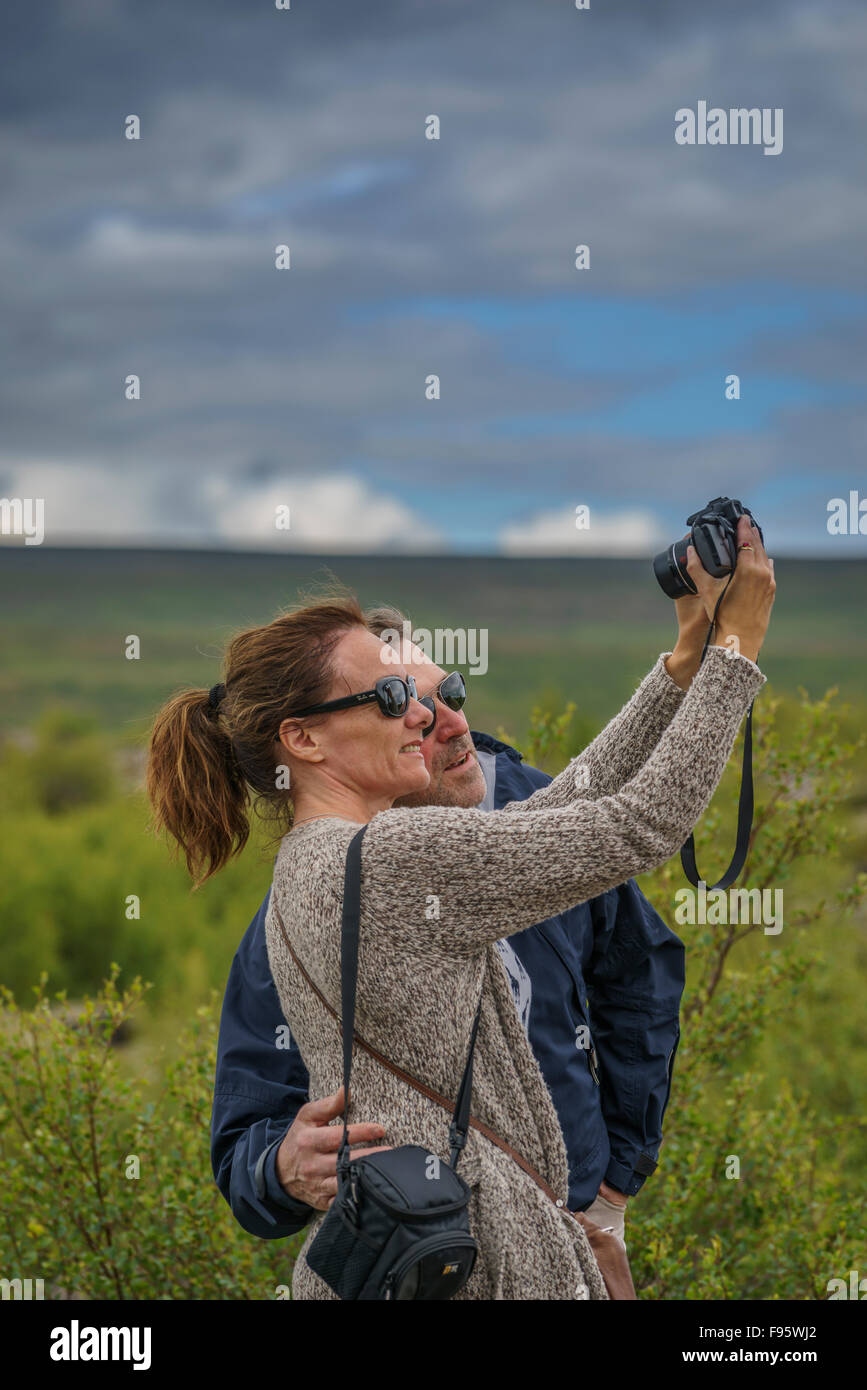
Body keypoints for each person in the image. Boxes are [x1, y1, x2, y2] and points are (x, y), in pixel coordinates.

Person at [147, 516, 774, 1299]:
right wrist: (736, 651)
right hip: (479, 1255)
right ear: (303, 740)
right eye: (387, 697)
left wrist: (681, 664)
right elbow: (637, 824)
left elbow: (550, 814)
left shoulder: (317, 867)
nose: (422, 715)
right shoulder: (393, 861)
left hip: (420, 1249)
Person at [209, 603, 689, 1260]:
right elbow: (245, 1143)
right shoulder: (313, 901)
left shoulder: (525, 801)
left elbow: (641, 970)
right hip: (438, 1256)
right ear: (312, 742)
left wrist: (612, 1182)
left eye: (447, 694)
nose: (448, 721)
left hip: (572, 1232)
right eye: (398, 701)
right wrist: (280, 1168)